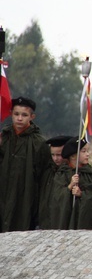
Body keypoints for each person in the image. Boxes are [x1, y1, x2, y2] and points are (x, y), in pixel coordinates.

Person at [0, 97, 51, 232]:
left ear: (32, 117)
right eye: (16, 114)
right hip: (3, 194)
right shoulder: (4, 138)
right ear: (11, 114)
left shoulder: (39, 143)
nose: (19, 118)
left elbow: (45, 176)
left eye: (24, 115)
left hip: (25, 198)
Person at [51, 138, 92, 230]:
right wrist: (70, 186)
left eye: (87, 151)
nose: (88, 154)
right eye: (83, 151)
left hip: (84, 220)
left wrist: (82, 194)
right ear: (73, 156)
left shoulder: (91, 173)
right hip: (66, 219)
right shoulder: (62, 174)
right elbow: (57, 196)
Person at [38, 135, 75, 229]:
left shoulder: (72, 173)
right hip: (45, 219)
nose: (55, 159)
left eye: (59, 155)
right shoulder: (47, 171)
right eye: (53, 155)